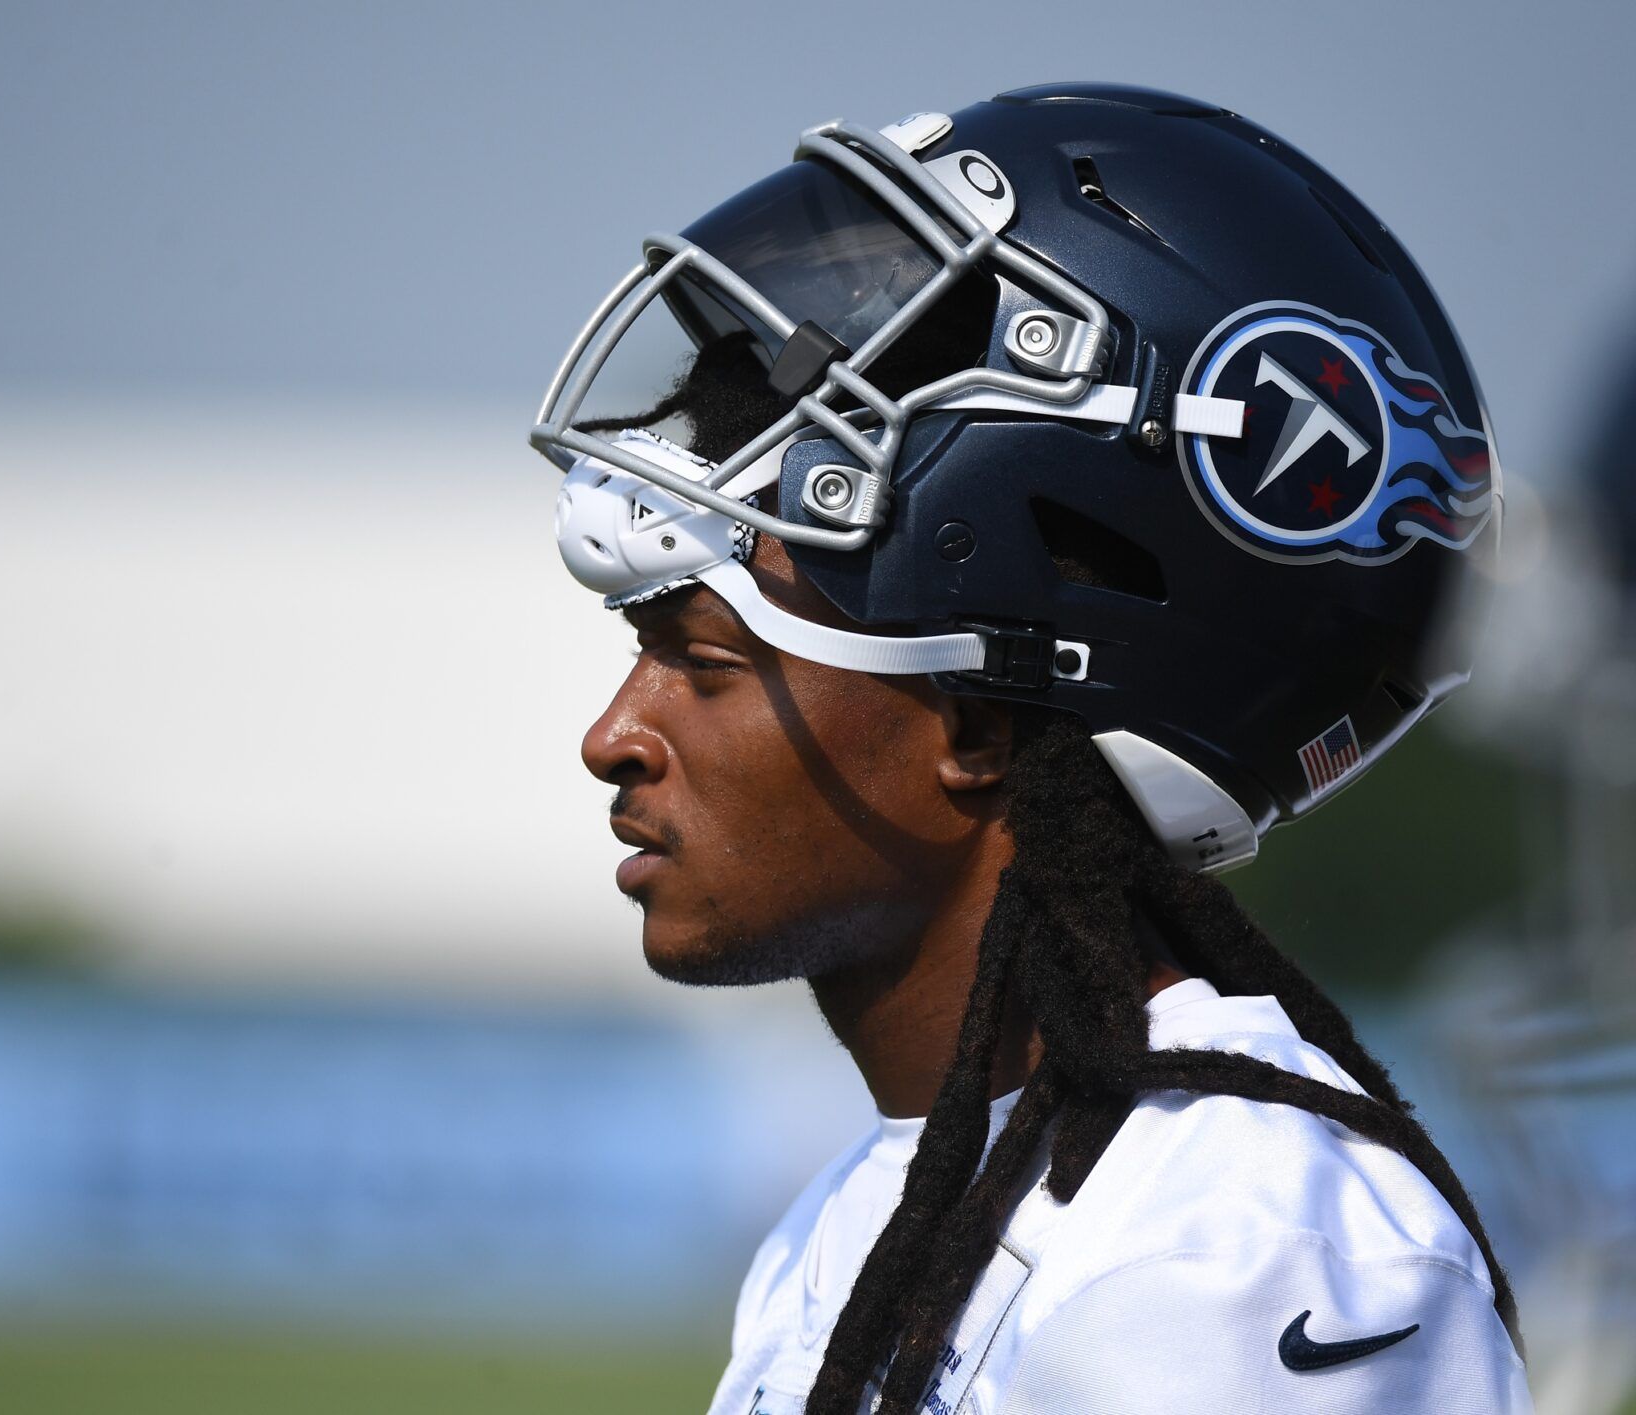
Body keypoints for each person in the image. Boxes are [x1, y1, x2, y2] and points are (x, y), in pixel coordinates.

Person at [531, 84, 1530, 1412]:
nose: (615, 737)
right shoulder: (859, 1224)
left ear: (977, 726)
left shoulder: (1229, 1252)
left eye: (706, 659)